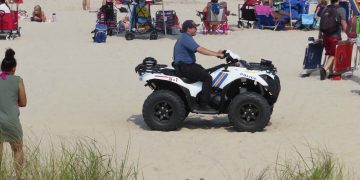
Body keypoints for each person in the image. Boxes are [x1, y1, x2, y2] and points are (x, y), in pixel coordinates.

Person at [173, 20, 224, 111]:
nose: (196, 29)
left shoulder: (185, 37)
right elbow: (200, 50)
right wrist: (217, 54)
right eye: (194, 28)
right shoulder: (186, 38)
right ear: (188, 29)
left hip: (186, 65)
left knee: (207, 72)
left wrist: (217, 53)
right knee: (207, 78)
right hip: (185, 67)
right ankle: (203, 105)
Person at [0, 49, 27, 180]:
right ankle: (18, 177)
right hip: (11, 120)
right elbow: (23, 103)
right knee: (17, 149)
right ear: (14, 68)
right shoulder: (18, 80)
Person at [319, 0, 348, 80]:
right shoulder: (341, 9)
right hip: (334, 35)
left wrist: (319, 36)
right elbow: (344, 24)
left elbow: (321, 23)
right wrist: (349, 35)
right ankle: (324, 69)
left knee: (330, 53)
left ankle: (331, 73)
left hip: (325, 35)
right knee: (334, 54)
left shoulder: (325, 8)